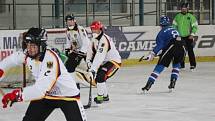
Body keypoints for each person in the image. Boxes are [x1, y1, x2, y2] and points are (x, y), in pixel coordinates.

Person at [0, 27, 87, 121]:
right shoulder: (27, 54)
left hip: (67, 96)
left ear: (41, 46)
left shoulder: (50, 60)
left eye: (33, 46)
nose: (30, 49)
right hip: (46, 96)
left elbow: (40, 89)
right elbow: (11, 60)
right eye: (28, 45)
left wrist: (17, 95)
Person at [141, 16, 186, 92]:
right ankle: (173, 83)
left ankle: (148, 85)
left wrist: (152, 54)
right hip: (183, 46)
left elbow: (160, 45)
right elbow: (169, 44)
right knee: (176, 64)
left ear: (160, 25)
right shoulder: (174, 29)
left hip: (172, 45)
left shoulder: (161, 33)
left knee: (160, 66)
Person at [87, 21, 121, 104]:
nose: (94, 31)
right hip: (104, 62)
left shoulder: (104, 40)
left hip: (114, 61)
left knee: (101, 76)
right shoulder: (94, 39)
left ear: (100, 29)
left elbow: (99, 56)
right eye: (93, 29)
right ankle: (105, 96)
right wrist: (88, 62)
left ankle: (100, 97)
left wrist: (93, 69)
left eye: (96, 29)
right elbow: (90, 51)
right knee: (99, 77)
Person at [172, 3, 198, 71]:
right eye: (182, 8)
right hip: (180, 37)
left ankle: (193, 65)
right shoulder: (177, 16)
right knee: (180, 52)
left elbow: (195, 27)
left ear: (187, 9)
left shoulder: (191, 16)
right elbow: (174, 26)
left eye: (185, 9)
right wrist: (176, 34)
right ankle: (181, 65)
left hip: (188, 37)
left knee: (190, 51)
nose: (183, 10)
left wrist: (192, 34)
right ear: (181, 9)